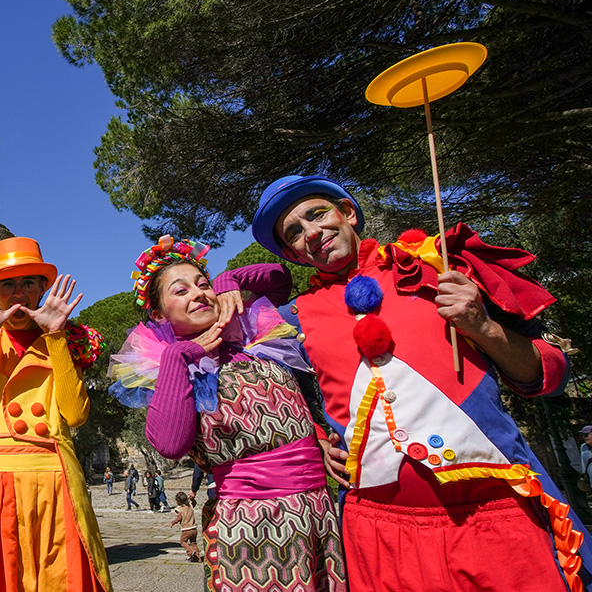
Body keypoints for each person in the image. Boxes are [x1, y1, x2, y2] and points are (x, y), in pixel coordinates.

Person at [252, 174, 591, 592]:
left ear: (348, 214)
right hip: (380, 539)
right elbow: (281, 405)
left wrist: (483, 326)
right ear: (293, 254)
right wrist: (314, 441)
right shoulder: (293, 321)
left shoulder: (438, 266)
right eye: (295, 233)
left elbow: (549, 375)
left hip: (498, 518)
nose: (312, 232)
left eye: (317, 214)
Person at [114, 235, 345, 591]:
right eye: (181, 290)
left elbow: (279, 277)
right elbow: (170, 444)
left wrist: (228, 281)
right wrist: (179, 358)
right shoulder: (171, 371)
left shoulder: (251, 333)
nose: (198, 293)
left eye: (202, 284)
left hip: (317, 510)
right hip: (253, 526)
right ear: (159, 314)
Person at [0, 237, 113, 591]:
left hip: (55, 476)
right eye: (7, 284)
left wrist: (56, 336)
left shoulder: (69, 338)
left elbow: (75, 414)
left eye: (27, 282)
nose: (18, 293)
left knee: (62, 579)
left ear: (43, 288)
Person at [170, 491, 200, 562]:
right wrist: (192, 499)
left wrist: (173, 522)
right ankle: (198, 558)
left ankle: (190, 552)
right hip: (194, 529)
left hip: (186, 529)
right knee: (193, 543)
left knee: (182, 541)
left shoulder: (179, 509)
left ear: (178, 501)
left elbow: (179, 517)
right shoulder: (190, 505)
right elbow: (194, 503)